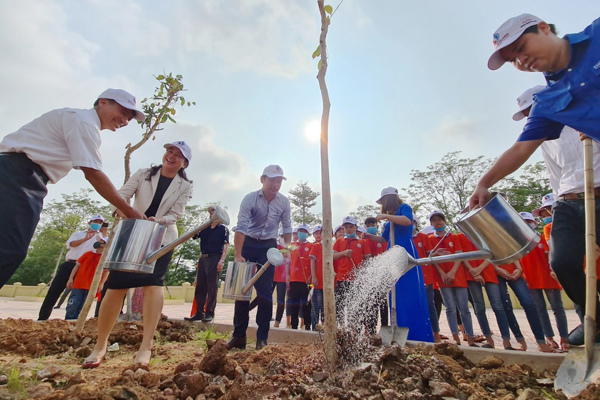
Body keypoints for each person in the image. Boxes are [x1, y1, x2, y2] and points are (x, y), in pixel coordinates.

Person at [472, 14, 600, 344]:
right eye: (513, 58)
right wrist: (484, 182)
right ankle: (593, 319)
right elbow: (520, 149)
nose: (521, 59)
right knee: (563, 259)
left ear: (544, 28)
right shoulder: (546, 103)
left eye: (521, 47)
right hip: (572, 199)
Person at [0, 89, 146, 289]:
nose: (125, 120)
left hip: (19, 174)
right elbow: (93, 173)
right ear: (103, 102)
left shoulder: (79, 121)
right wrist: (128, 210)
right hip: (18, 176)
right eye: (123, 112)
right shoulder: (84, 122)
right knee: (9, 249)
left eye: (129, 118)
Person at [83, 141, 193, 369]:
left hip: (160, 239)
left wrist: (158, 221)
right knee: (115, 288)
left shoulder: (185, 186)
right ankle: (100, 345)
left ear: (184, 163)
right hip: (131, 234)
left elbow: (176, 213)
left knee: (153, 286)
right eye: (169, 151)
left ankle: (146, 346)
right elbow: (120, 197)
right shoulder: (143, 174)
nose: (171, 156)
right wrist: (129, 213)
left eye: (178, 154)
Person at [228, 165, 292, 351]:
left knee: (265, 294)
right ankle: (238, 337)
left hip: (268, 247)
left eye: (279, 180)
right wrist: (238, 255)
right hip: (248, 244)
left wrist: (287, 248)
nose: (276, 184)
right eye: (272, 180)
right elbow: (241, 227)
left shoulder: (284, 202)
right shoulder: (250, 199)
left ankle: (261, 339)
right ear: (263, 179)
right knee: (243, 292)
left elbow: (287, 227)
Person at [365, 187, 432, 342]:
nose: (384, 205)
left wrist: (387, 218)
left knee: (411, 293)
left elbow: (407, 221)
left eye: (384, 202)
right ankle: (398, 326)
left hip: (406, 253)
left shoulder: (404, 208)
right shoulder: (390, 216)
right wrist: (370, 237)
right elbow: (384, 239)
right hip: (392, 255)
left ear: (390, 199)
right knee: (395, 293)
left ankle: (417, 333)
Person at [38, 215, 107, 320]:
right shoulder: (78, 233)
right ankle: (43, 317)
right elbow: (71, 244)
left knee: (80, 295)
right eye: (95, 221)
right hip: (70, 264)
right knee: (54, 291)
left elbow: (104, 249)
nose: (97, 224)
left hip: (85, 268)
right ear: (89, 223)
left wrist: (104, 235)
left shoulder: (100, 238)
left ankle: (74, 319)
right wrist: (85, 239)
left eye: (100, 222)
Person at [518, 211, 569, 351]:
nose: (527, 224)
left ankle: (564, 338)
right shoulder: (518, 244)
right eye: (523, 222)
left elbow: (551, 257)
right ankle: (549, 338)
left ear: (534, 223)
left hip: (548, 278)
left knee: (557, 308)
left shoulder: (544, 238)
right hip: (531, 280)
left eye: (529, 221)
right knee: (540, 309)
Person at [428, 211, 477, 346]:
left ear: (444, 221)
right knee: (450, 308)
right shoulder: (431, 240)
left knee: (464, 308)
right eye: (434, 220)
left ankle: (470, 336)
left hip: (458, 276)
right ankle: (455, 337)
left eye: (440, 219)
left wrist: (452, 272)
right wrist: (443, 273)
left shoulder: (455, 238)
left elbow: (459, 256)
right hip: (443, 279)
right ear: (431, 224)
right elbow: (433, 260)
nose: (438, 222)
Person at [185, 206, 230, 323]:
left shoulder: (223, 229)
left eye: (214, 213)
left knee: (212, 287)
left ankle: (210, 313)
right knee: (200, 286)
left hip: (215, 258)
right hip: (203, 258)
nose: (211, 215)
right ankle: (199, 313)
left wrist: (222, 260)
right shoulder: (204, 229)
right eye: (210, 213)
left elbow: (226, 245)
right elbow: (193, 236)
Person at [332, 216, 371, 327]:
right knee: (339, 305)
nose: (348, 229)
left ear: (356, 227)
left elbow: (368, 260)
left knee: (355, 306)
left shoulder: (362, 242)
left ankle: (354, 330)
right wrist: (343, 253)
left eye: (351, 227)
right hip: (342, 278)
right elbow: (332, 256)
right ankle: (340, 328)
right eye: (346, 227)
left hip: (357, 280)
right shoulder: (339, 241)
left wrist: (364, 273)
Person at [65, 239, 108, 320]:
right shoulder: (88, 254)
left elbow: (106, 272)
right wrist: (70, 278)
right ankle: (68, 321)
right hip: (78, 284)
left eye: (100, 241)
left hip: (92, 286)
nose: (97, 243)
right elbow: (77, 266)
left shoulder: (105, 258)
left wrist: (102, 283)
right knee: (72, 305)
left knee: (83, 307)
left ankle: (78, 323)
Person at [287, 224, 313, 330]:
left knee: (307, 304)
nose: (302, 233)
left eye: (304, 231)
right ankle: (293, 326)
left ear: (308, 233)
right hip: (293, 279)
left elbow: (313, 263)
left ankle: (307, 326)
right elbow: (287, 262)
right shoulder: (291, 245)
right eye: (300, 231)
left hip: (307, 281)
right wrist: (287, 276)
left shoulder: (312, 246)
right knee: (294, 304)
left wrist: (311, 276)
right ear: (297, 233)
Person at [309, 225, 324, 330]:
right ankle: (314, 328)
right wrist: (314, 277)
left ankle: (324, 327)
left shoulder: (333, 246)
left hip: (330, 283)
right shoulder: (317, 246)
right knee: (316, 306)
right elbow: (312, 262)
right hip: (318, 281)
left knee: (325, 307)